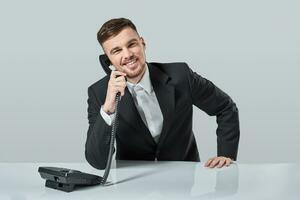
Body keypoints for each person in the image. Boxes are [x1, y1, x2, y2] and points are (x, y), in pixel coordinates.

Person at [85, 18, 240, 170]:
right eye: (117, 51)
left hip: (183, 180)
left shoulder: (181, 75)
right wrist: (108, 108)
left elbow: (225, 108)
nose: (127, 55)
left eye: (131, 44)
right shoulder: (99, 93)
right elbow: (98, 162)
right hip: (133, 184)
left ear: (142, 43)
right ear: (108, 61)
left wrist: (227, 155)